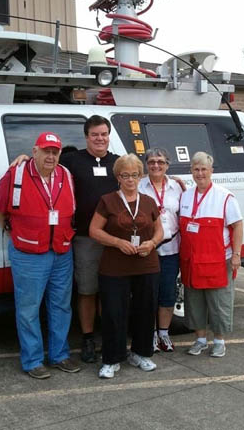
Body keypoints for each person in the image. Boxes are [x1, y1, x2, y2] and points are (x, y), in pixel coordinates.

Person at [10, 116, 119, 363]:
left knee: (111, 292)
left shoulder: (117, 163)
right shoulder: (71, 160)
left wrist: (171, 180)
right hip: (82, 239)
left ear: (109, 135)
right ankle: (88, 338)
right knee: (87, 290)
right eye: (94, 134)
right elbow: (45, 162)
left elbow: (138, 180)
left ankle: (111, 339)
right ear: (86, 137)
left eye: (103, 134)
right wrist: (23, 158)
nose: (99, 138)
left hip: (112, 239)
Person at [0, 132, 81, 379]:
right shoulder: (16, 175)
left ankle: (59, 355)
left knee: (61, 307)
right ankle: (32, 361)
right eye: (46, 151)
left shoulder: (66, 176)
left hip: (62, 252)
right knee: (28, 309)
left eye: (55, 151)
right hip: (29, 254)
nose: (50, 156)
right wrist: (12, 232)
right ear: (34, 151)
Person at [89, 154, 163, 379]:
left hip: (146, 264)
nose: (130, 179)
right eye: (125, 175)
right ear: (117, 177)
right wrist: (117, 242)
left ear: (140, 176)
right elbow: (94, 231)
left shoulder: (148, 201)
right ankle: (112, 359)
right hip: (114, 267)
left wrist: (152, 243)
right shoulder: (107, 200)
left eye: (134, 175)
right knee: (113, 312)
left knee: (145, 310)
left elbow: (159, 230)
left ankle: (141, 353)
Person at [179, 151, 244, 358]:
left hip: (218, 261)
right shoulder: (186, 195)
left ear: (211, 171)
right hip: (191, 261)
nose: (200, 173)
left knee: (219, 303)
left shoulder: (225, 196)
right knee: (195, 303)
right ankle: (199, 340)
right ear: (191, 172)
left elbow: (238, 226)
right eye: (196, 169)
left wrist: (236, 254)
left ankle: (218, 341)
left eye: (204, 169)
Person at [138, 148, 183, 353]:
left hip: (171, 249)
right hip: (147, 249)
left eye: (160, 162)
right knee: (147, 295)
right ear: (146, 165)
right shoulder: (139, 186)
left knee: (167, 294)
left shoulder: (178, 187)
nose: (156, 165)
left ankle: (163, 333)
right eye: (152, 162)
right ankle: (150, 334)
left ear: (167, 164)